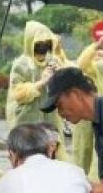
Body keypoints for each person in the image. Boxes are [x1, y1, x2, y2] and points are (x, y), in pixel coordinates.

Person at [5, 21, 69, 160]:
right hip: (27, 121)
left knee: (53, 156)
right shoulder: (21, 64)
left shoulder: (54, 61)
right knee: (29, 158)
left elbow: (68, 83)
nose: (43, 47)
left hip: (51, 120)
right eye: (39, 44)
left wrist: (59, 75)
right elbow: (18, 94)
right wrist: (41, 82)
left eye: (47, 43)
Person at [73, 36, 103, 175]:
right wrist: (96, 45)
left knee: (101, 152)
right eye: (96, 55)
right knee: (83, 150)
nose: (98, 57)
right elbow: (81, 64)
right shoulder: (89, 73)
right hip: (87, 117)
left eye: (102, 54)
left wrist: (96, 47)